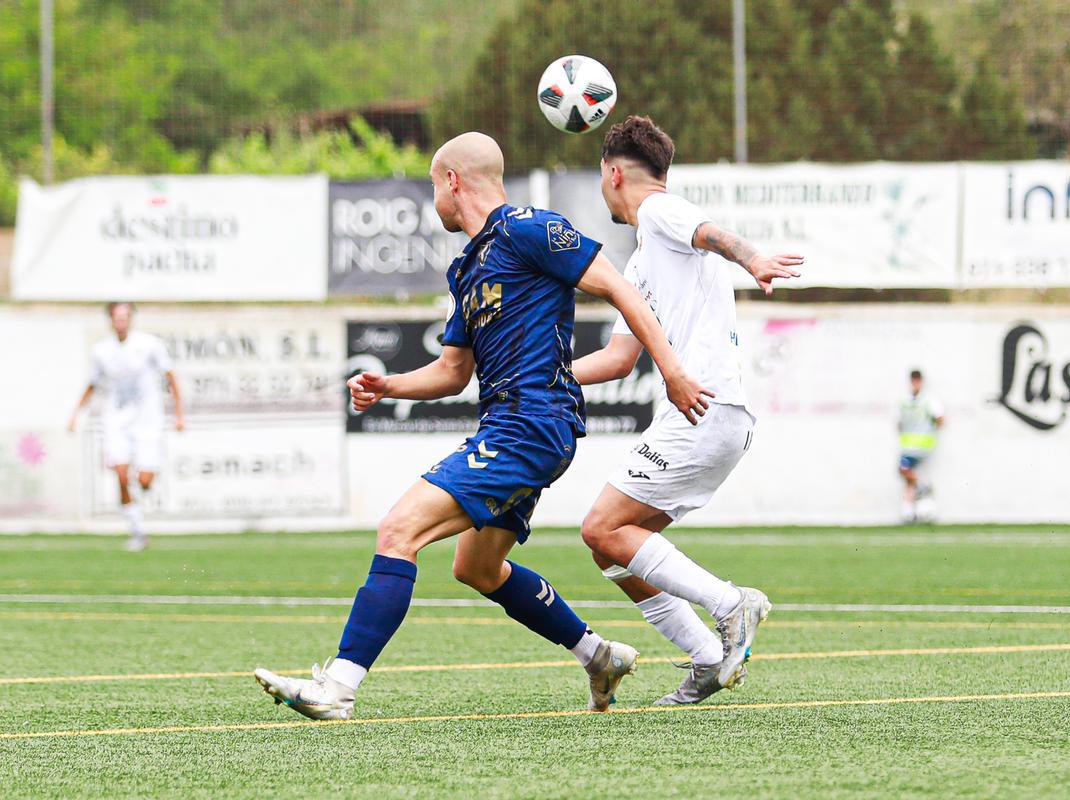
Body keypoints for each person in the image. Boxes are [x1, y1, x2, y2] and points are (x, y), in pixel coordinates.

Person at [253, 132, 713, 721]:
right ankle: (598, 655)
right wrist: (388, 385)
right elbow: (451, 372)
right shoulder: (467, 266)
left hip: (531, 423)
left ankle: (337, 687)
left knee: (399, 531)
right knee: (475, 567)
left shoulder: (529, 228)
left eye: (431, 185)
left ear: (452, 181)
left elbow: (620, 288)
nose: (433, 200)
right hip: (512, 425)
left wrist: (671, 370)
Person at [572, 116, 804, 705]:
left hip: (705, 408)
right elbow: (619, 358)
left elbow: (711, 233)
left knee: (601, 526)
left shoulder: (658, 211)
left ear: (614, 171)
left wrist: (753, 259)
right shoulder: (642, 262)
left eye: (603, 177)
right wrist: (537, 381)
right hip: (709, 416)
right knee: (611, 545)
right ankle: (706, 658)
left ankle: (733, 605)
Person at [68, 302, 185, 552]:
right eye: (117, 318)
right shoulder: (101, 351)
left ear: (131, 319)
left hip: (147, 420)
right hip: (117, 421)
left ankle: (143, 482)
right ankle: (138, 532)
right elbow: (93, 384)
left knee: (144, 480)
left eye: (125, 317)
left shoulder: (149, 344)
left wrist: (179, 414)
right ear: (110, 321)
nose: (121, 322)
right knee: (121, 475)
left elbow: (170, 377)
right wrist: (76, 414)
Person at [898, 369, 944, 523]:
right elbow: (900, 422)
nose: (915, 383)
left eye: (918, 380)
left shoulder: (929, 400)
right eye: (913, 380)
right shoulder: (905, 401)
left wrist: (929, 432)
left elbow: (940, 418)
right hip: (908, 446)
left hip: (922, 446)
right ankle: (909, 512)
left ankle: (921, 488)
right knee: (908, 479)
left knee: (903, 469)